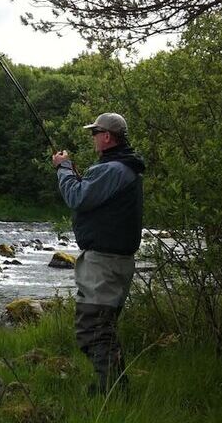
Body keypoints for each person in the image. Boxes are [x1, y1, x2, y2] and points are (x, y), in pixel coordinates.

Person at [51, 112, 145, 396]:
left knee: (93, 330)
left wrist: (64, 168)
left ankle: (113, 393)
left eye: (95, 133)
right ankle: (113, 387)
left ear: (107, 137)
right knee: (102, 329)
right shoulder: (121, 168)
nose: (92, 138)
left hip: (104, 263)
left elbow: (77, 198)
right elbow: (93, 199)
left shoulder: (113, 169)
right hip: (115, 261)